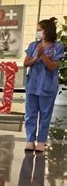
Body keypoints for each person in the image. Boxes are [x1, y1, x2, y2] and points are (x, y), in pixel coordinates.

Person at [23, 17, 64, 153]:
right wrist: (36, 57)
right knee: (30, 113)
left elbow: (53, 67)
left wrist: (43, 56)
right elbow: (26, 63)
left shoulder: (57, 47)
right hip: (32, 85)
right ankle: (30, 140)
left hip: (47, 85)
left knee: (45, 115)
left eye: (40, 30)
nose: (38, 33)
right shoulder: (33, 45)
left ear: (47, 31)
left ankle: (41, 141)